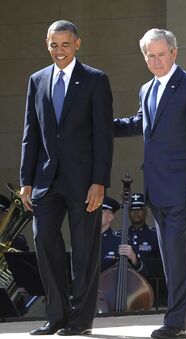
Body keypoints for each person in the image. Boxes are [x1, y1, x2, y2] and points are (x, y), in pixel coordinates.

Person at [114, 28, 186, 339]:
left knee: (175, 253)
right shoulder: (147, 89)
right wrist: (101, 125)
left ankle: (175, 323)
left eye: (161, 54)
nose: (156, 60)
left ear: (174, 53)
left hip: (185, 187)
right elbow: (140, 122)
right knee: (176, 255)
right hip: (157, 188)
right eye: (150, 55)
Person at [18, 20, 113, 336]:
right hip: (46, 180)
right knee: (44, 239)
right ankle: (56, 314)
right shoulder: (37, 80)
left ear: (77, 44)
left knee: (85, 251)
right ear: (46, 43)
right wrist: (26, 180)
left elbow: (103, 135)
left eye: (65, 44)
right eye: (54, 44)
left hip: (85, 182)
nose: (59, 50)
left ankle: (80, 319)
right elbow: (31, 134)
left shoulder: (95, 81)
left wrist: (100, 181)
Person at [100, 196, 142, 273]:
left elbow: (142, 272)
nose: (96, 215)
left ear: (110, 217)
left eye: (101, 212)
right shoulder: (85, 241)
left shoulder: (120, 240)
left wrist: (133, 258)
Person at [128, 193, 160, 261]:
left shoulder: (155, 235)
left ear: (145, 212)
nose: (136, 212)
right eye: (132, 209)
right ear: (128, 213)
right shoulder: (121, 235)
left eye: (139, 209)